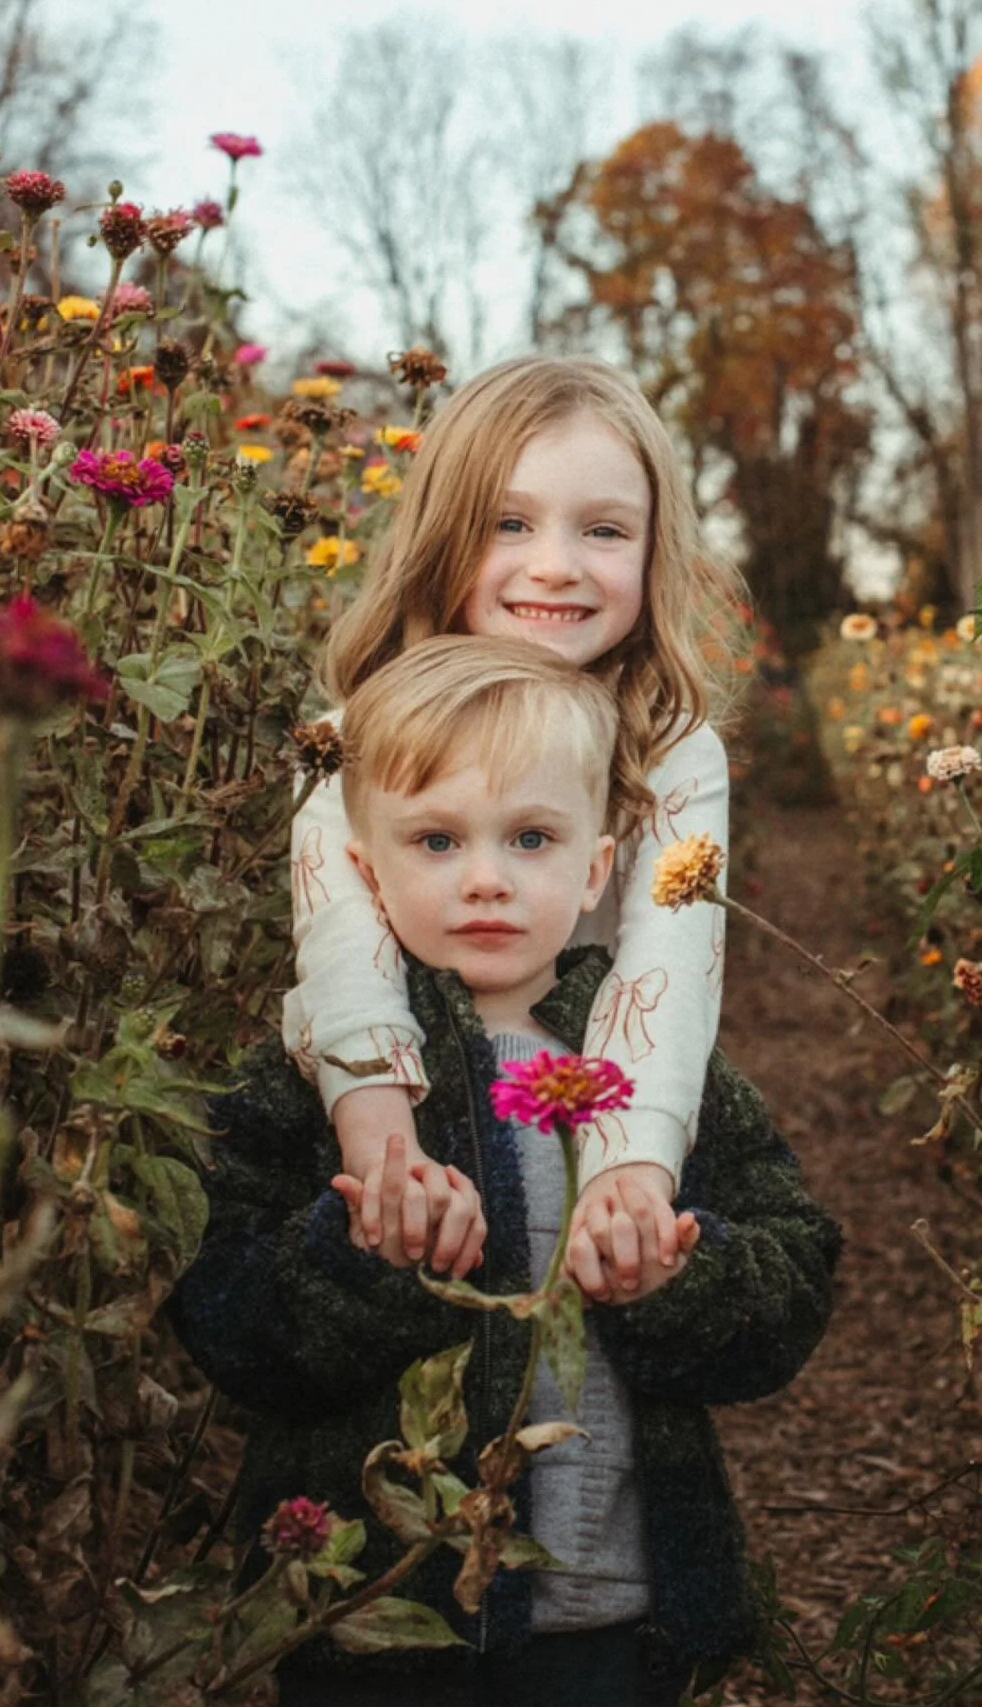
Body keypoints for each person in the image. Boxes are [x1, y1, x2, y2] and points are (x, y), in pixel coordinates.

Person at [170, 637, 842, 1707]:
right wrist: (361, 1258)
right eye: (437, 840)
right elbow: (227, 1324)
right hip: (369, 1611)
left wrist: (684, 1269)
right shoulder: (310, 1078)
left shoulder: (654, 1070)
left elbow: (795, 1270)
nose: (486, 877)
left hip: (608, 1605)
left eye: (531, 839)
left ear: (596, 869)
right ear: (368, 869)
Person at [285, 355, 745, 1302]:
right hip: (411, 1128)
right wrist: (389, 1164)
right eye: (509, 523)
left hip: (595, 1128)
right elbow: (343, 950)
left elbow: (667, 969)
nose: (555, 565)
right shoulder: (348, 739)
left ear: (655, 550)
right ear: (443, 536)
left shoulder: (672, 751)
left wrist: (631, 1174)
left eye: (605, 530)